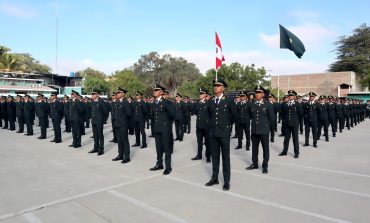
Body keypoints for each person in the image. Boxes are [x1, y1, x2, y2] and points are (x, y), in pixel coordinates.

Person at [205, 78, 237, 191]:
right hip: (213, 133)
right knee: (215, 157)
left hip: (224, 133)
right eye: (214, 85)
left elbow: (234, 116)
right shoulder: (211, 101)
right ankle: (214, 178)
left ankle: (226, 181)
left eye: (218, 86)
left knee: (225, 157)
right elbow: (208, 115)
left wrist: (227, 127)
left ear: (223, 88)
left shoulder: (228, 101)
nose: (215, 87)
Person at [246, 86, 274, 174]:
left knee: (265, 149)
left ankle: (265, 166)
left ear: (263, 94)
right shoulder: (252, 104)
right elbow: (250, 116)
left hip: (264, 131)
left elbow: (272, 119)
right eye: (256, 92)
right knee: (254, 149)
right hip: (254, 130)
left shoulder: (268, 104)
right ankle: (255, 164)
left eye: (259, 93)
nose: (257, 94)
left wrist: (270, 131)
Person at [149, 84, 175, 175]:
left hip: (165, 129)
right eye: (154, 90)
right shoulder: (154, 103)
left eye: (156, 90)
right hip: (157, 128)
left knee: (167, 148)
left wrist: (166, 123)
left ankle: (168, 167)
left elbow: (172, 114)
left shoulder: (166, 102)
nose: (154, 92)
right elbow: (152, 115)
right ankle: (159, 164)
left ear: (161, 92)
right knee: (158, 147)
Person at [279, 90, 302, 158]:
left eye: (291, 95)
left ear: (294, 96)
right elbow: (282, 113)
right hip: (287, 124)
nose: (290, 96)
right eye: (289, 95)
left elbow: (300, 114)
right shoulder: (285, 104)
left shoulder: (298, 104)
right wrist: (284, 120)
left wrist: (299, 124)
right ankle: (284, 151)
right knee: (286, 139)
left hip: (294, 124)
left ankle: (296, 153)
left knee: (295, 138)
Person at [112, 87, 132, 163]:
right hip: (117, 124)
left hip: (123, 124)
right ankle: (120, 155)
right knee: (119, 141)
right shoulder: (117, 102)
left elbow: (129, 113)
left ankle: (127, 157)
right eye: (117, 93)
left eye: (119, 93)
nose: (117, 94)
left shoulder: (125, 102)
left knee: (124, 140)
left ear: (123, 94)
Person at [192, 88, 211, 162]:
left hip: (206, 126)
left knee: (207, 142)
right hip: (199, 125)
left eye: (201, 94)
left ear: (205, 95)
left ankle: (208, 156)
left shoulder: (208, 103)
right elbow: (196, 113)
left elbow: (211, 114)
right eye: (199, 94)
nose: (200, 95)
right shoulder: (198, 103)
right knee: (199, 142)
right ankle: (199, 155)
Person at [88, 89, 109, 155]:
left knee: (100, 135)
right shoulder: (92, 101)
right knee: (95, 135)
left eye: (94, 94)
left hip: (99, 121)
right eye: (92, 94)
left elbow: (106, 111)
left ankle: (101, 149)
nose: (92, 95)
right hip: (93, 120)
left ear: (98, 95)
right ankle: (95, 148)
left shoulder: (101, 101)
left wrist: (104, 120)